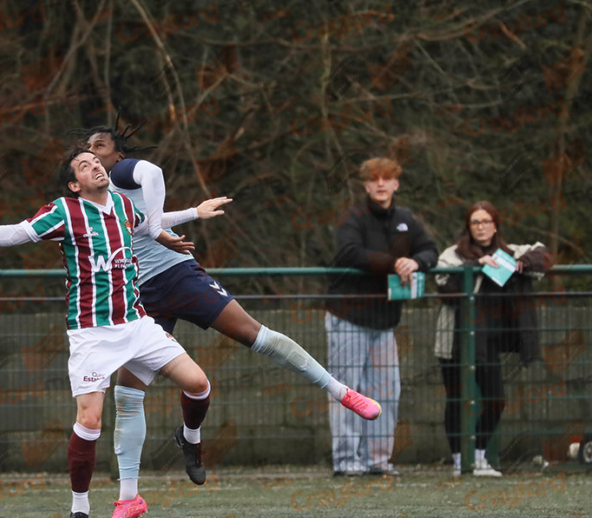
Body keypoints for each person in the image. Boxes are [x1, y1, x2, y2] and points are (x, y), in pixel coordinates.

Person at [79, 124, 383, 485]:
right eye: (87, 149)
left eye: (100, 146)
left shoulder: (123, 173)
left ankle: (340, 391)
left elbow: (153, 175)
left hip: (178, 274)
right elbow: (144, 224)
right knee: (127, 395)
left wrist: (167, 221)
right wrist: (191, 212)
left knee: (256, 334)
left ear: (118, 156)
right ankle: (129, 496)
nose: (92, 153)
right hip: (141, 297)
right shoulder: (88, 204)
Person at [0, 149, 212, 518]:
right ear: (75, 184)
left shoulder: (121, 203)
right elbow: (19, 232)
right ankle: (79, 512)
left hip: (136, 323)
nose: (96, 166)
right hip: (92, 333)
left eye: (96, 161)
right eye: (85, 166)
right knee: (89, 422)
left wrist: (188, 218)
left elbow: (150, 224)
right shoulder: (65, 211)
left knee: (199, 385)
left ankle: (189, 439)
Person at [324, 158, 438, 476]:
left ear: (396, 183)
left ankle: (378, 460)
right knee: (348, 391)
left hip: (385, 323)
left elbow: (430, 250)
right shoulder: (353, 216)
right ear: (366, 185)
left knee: (387, 392)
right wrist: (394, 262)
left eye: (386, 178)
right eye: (374, 179)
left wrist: (415, 263)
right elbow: (348, 252)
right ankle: (347, 461)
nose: (380, 184)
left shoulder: (405, 219)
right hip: (348, 318)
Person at [435, 201, 551, 477]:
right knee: (456, 399)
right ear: (468, 227)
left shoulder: (509, 251)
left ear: (495, 224)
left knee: (496, 399)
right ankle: (458, 460)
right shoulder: (452, 255)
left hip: (488, 344)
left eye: (486, 221)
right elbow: (444, 287)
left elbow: (544, 256)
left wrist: (518, 263)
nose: (481, 226)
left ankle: (479, 456)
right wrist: (476, 266)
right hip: (454, 341)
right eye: (475, 222)